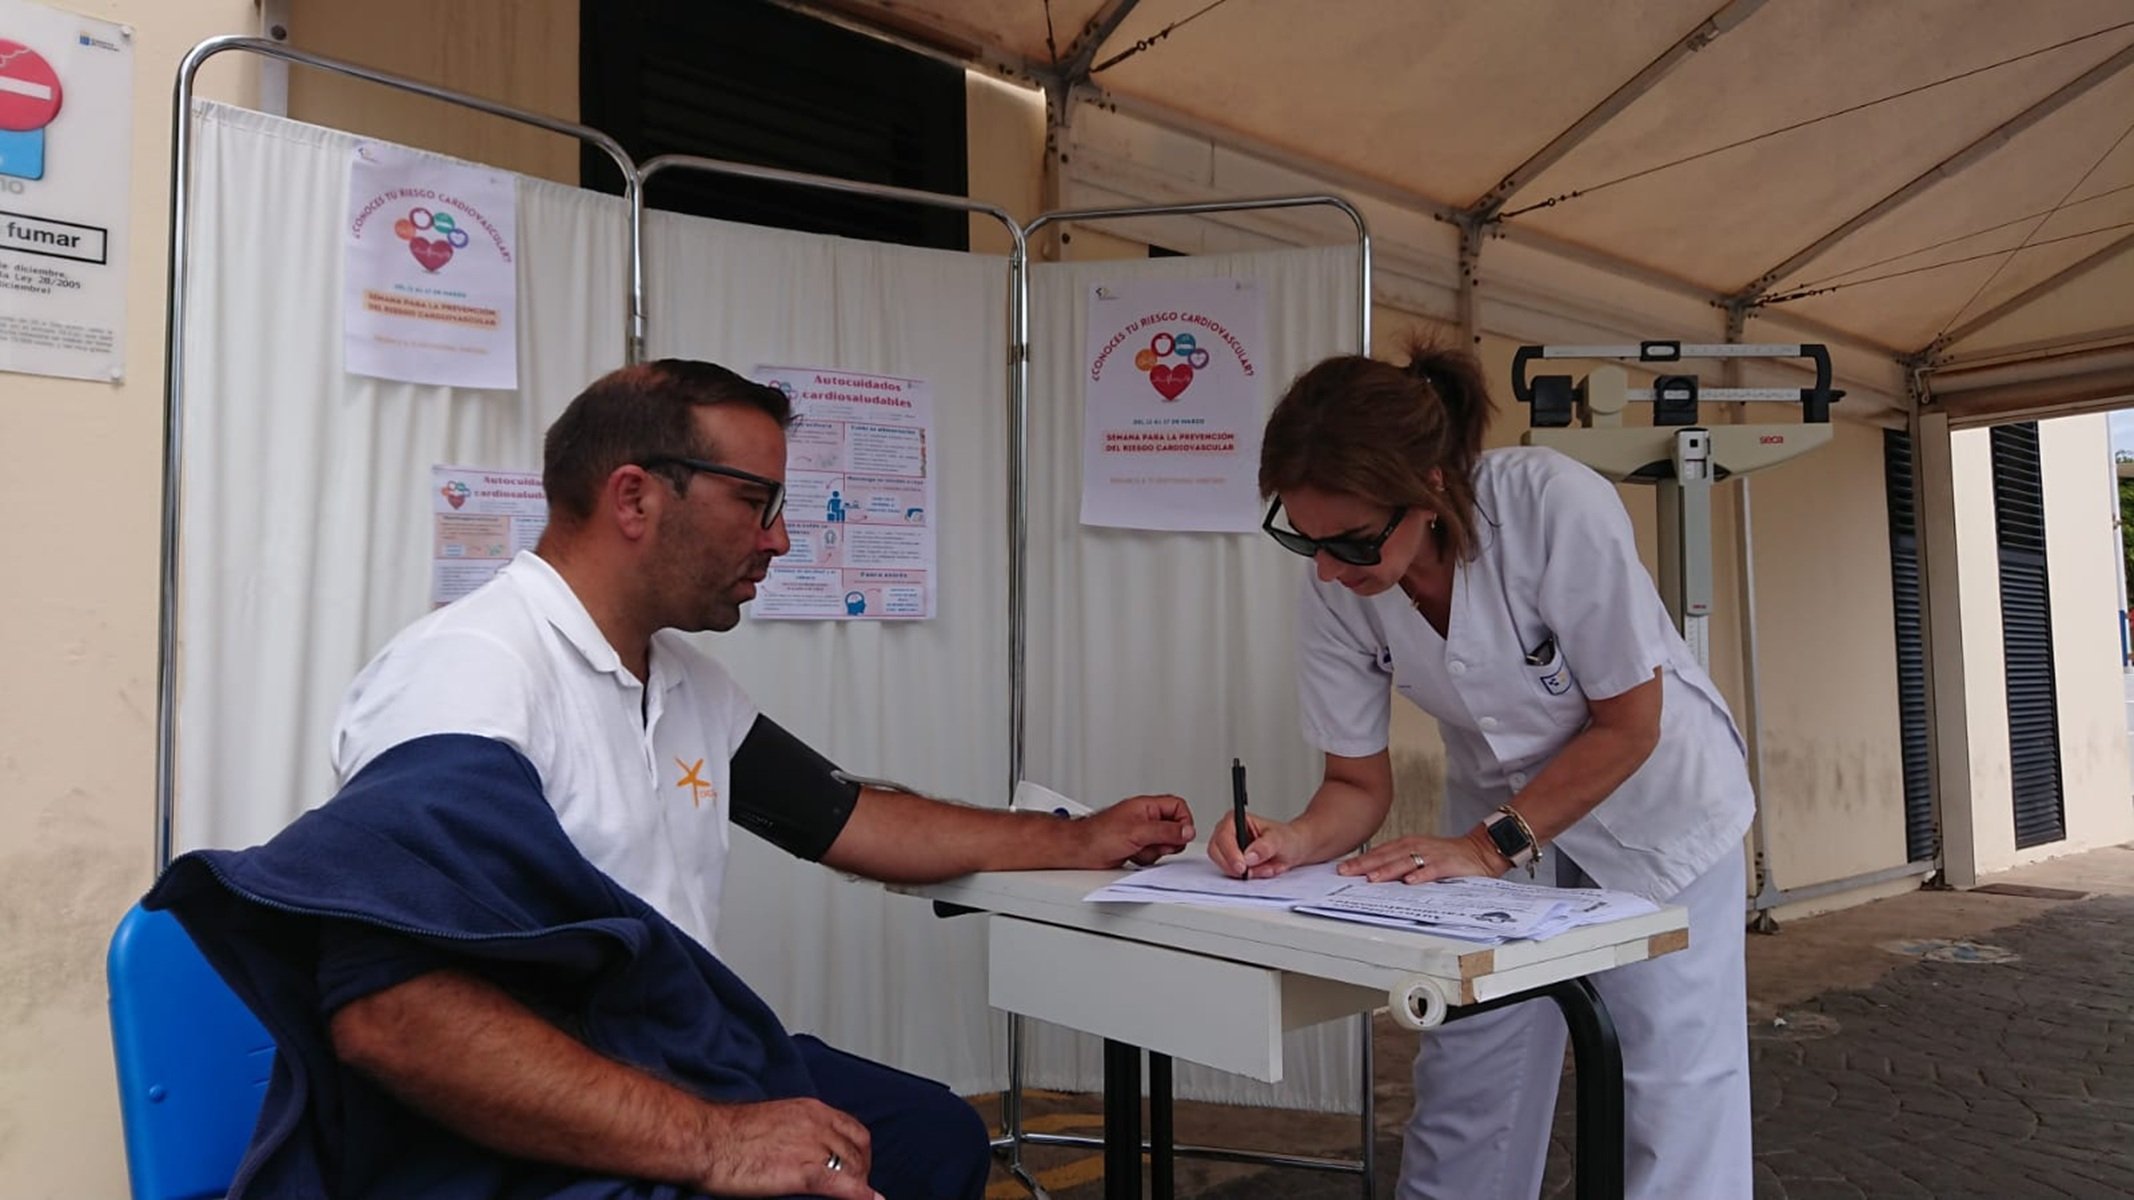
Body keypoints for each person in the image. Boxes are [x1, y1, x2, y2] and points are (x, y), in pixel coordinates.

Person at [149, 359, 1196, 1200]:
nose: (780, 537)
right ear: (635, 497)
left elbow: (855, 820)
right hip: (513, 1110)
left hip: (652, 1055)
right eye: (756, 501)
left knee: (925, 1137)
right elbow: (393, 1016)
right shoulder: (470, 678)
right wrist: (714, 1142)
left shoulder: (681, 682)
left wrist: (1077, 837)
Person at [1206, 342, 1754, 1199]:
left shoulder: (1550, 506)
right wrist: (1290, 838)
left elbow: (1629, 723)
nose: (1326, 568)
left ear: (1428, 489)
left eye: (1349, 539)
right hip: (1493, 828)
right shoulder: (1337, 581)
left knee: (1669, 1082)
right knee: (1471, 1072)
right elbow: (1356, 785)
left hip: (1656, 809)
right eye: (1301, 538)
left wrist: (1490, 847)